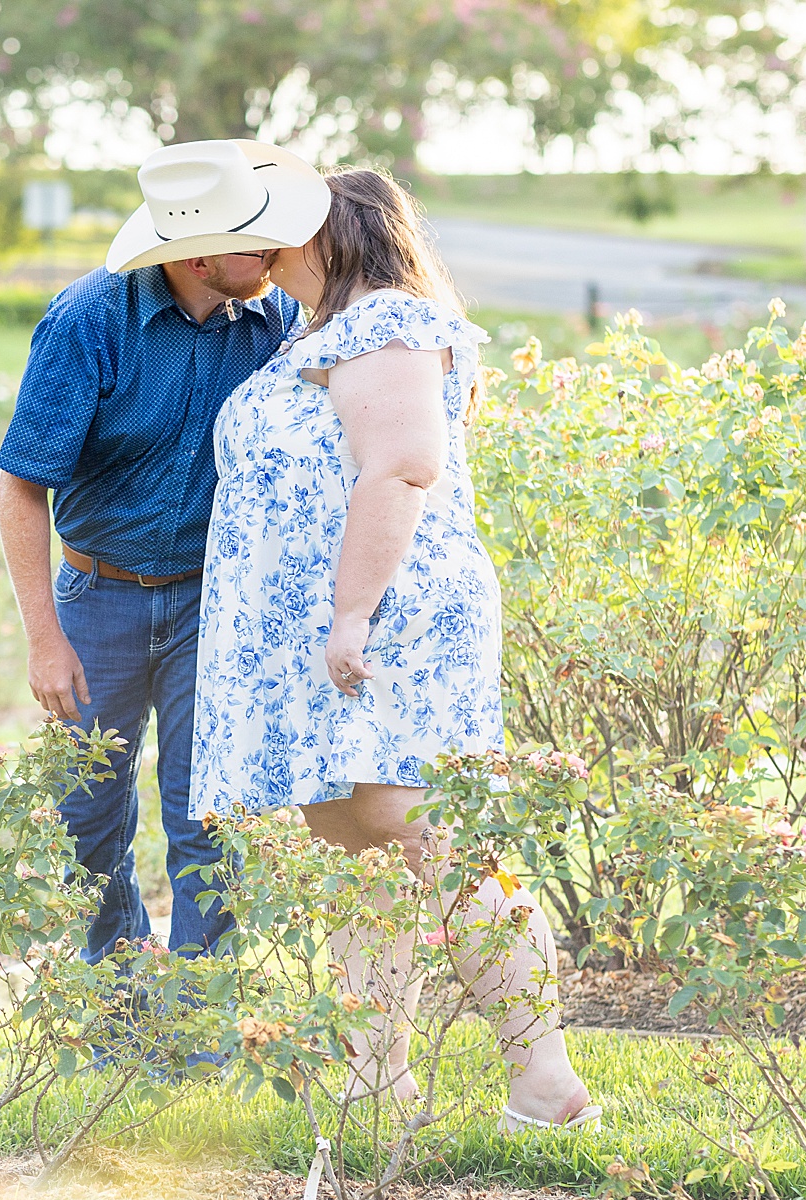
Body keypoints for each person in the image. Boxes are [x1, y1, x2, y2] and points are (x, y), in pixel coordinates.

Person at [189, 168, 602, 1131]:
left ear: (325, 233)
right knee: (353, 850)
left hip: (388, 623)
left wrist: (349, 614)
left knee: (435, 838)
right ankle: (375, 1084)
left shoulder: (386, 322)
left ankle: (547, 1084)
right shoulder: (312, 331)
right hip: (326, 632)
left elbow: (403, 465)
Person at [0, 140, 330, 961]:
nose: (277, 252)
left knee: (208, 813)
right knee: (87, 818)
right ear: (200, 254)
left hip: (211, 605)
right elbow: (19, 485)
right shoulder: (90, 320)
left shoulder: (278, 323)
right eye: (257, 238)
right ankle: (117, 999)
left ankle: (201, 1021)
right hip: (96, 601)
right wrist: (45, 637)